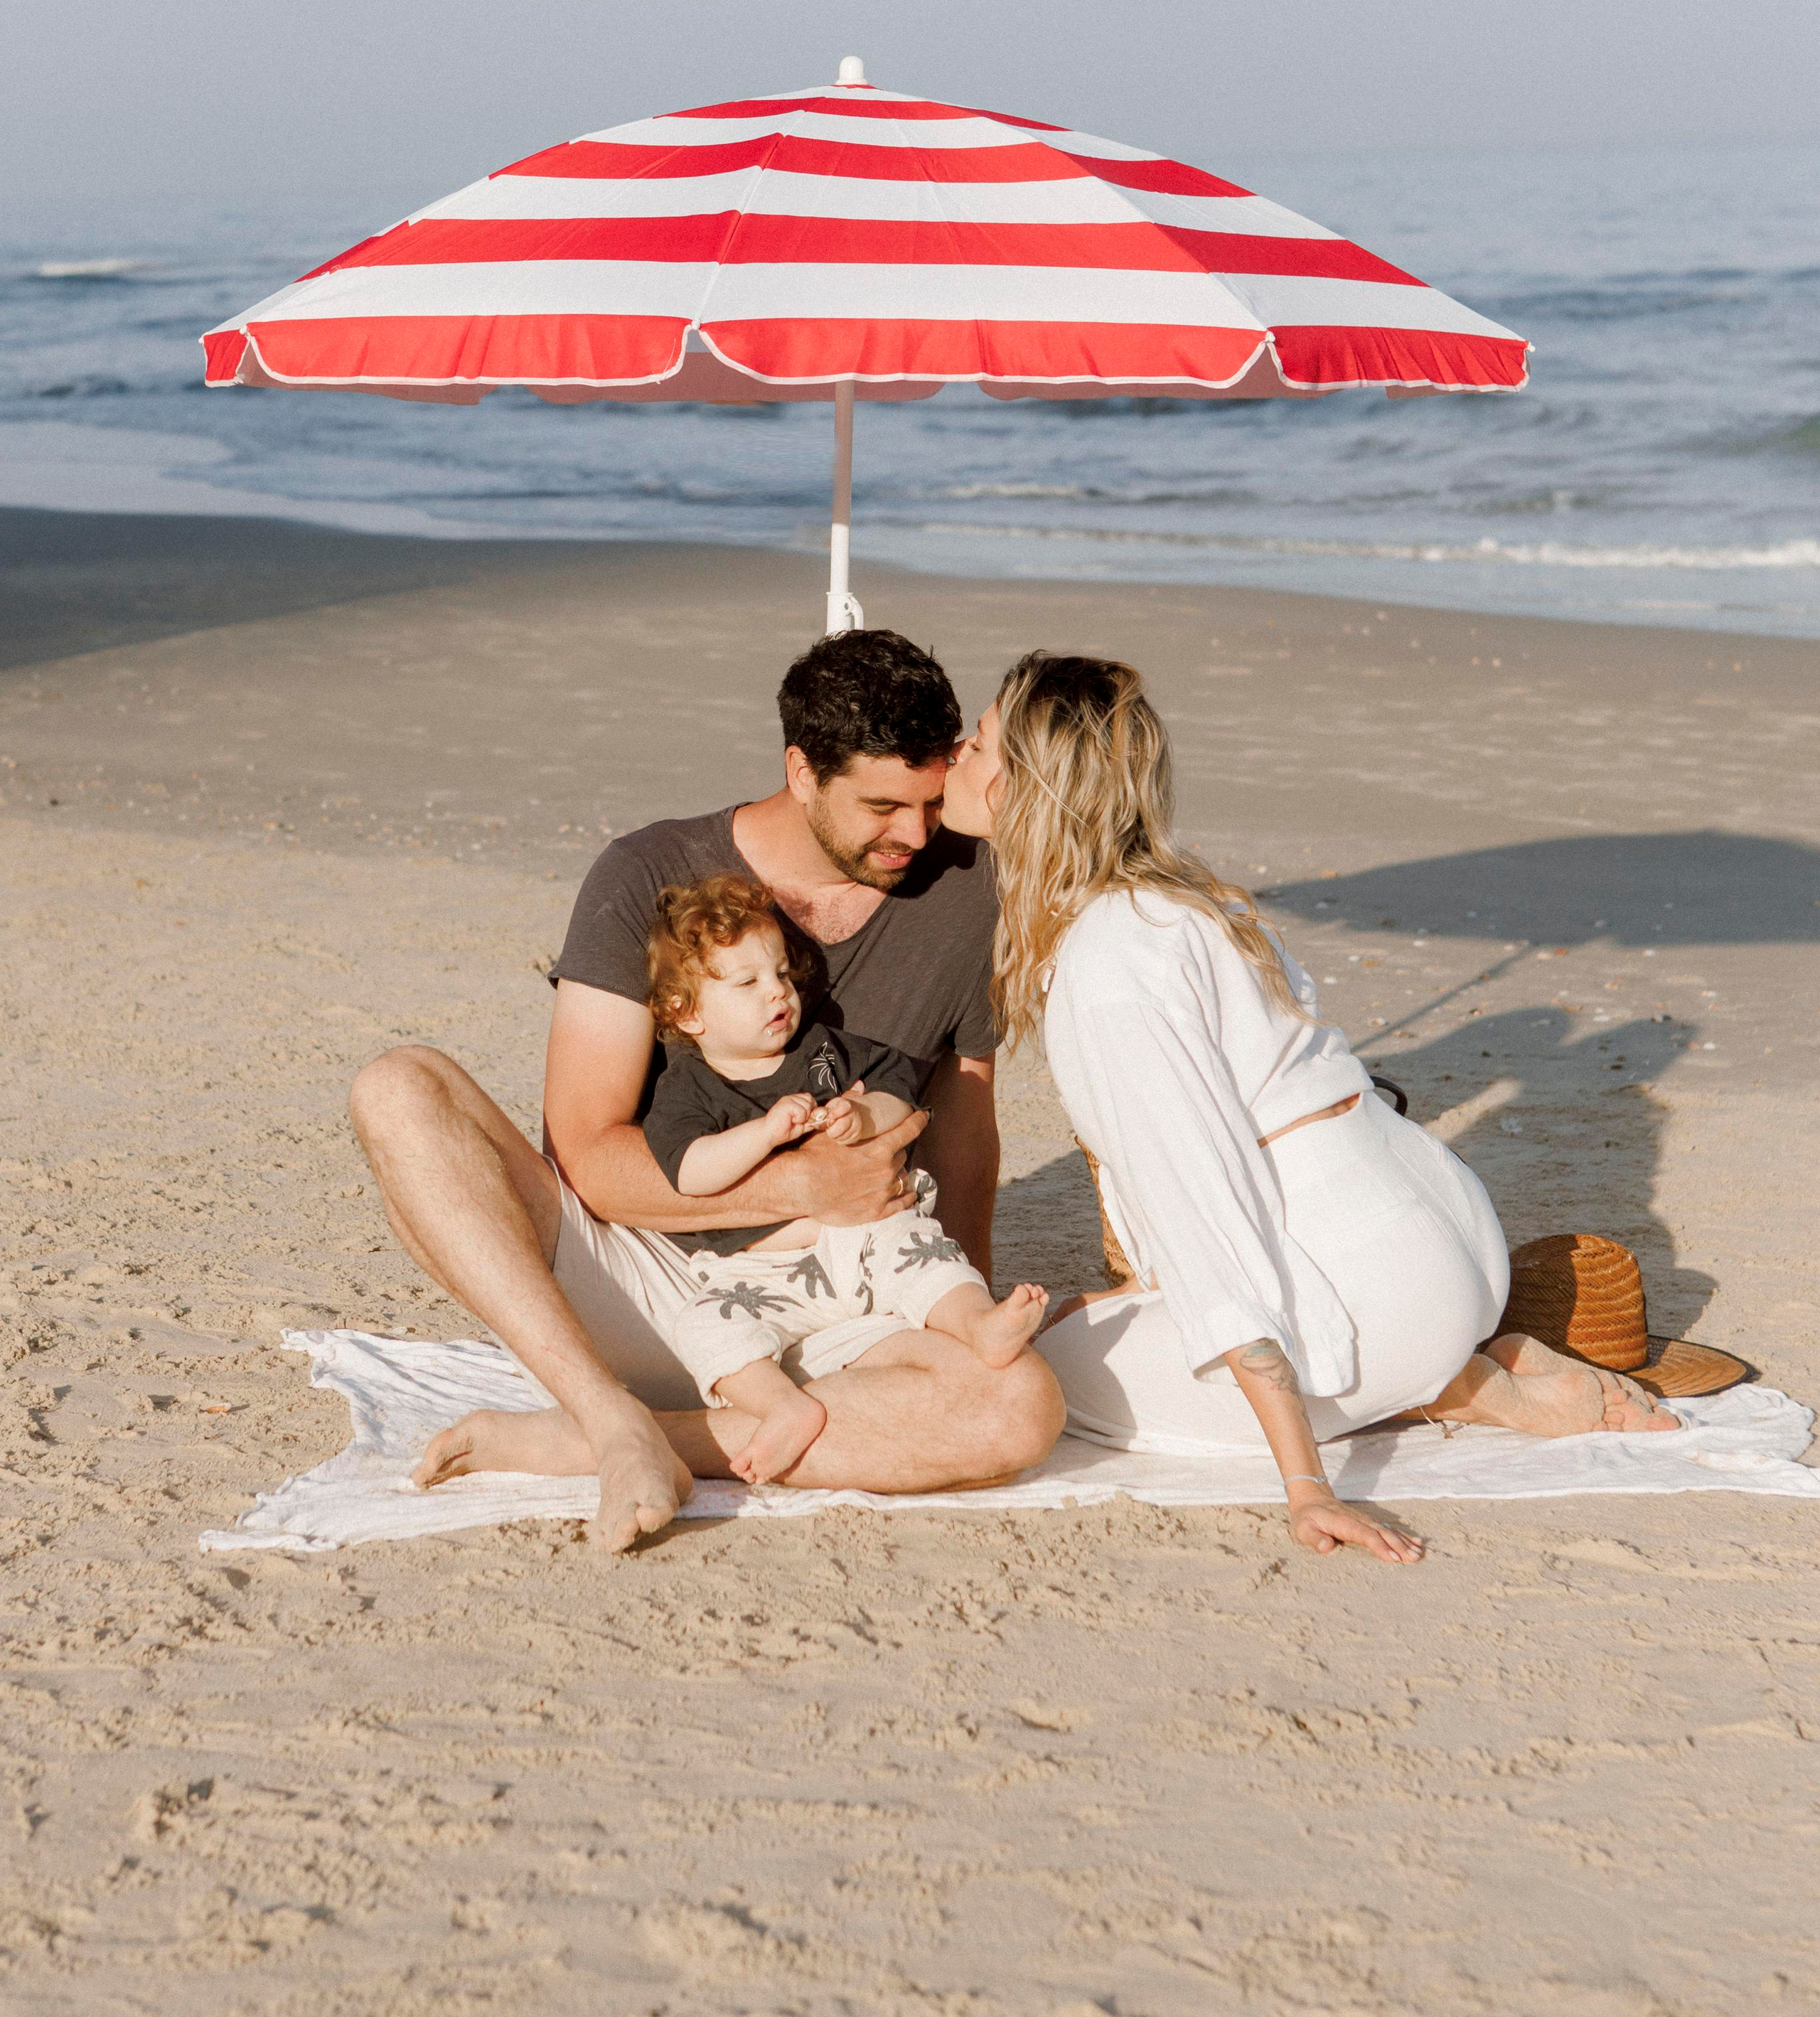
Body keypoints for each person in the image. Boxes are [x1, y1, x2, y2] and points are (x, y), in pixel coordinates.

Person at [938, 652, 1680, 1568]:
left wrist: (1304, 1487)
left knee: (1041, 1375)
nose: (955, 759)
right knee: (1085, 1319)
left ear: (1026, 789)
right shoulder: (1193, 902)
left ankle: (1447, 1387)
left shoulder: (1105, 964)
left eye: (975, 744)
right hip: (1447, 1231)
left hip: (1384, 1301)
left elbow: (1206, 1205)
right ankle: (1439, 1362)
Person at [348, 629, 1065, 1551]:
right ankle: (610, 1415)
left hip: (838, 1290)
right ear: (802, 771)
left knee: (1017, 1411)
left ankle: (605, 1442)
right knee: (400, 1088)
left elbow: (966, 1126)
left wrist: (963, 1305)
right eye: (882, 806)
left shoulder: (967, 892)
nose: (916, 835)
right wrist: (788, 1186)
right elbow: (591, 1158)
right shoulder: (648, 875)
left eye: (929, 802)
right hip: (645, 1278)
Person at [644, 872, 1049, 1482]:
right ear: (687, 1012)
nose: (776, 994)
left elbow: (899, 1093)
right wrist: (763, 1134)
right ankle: (782, 1406)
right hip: (763, 1271)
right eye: (747, 983)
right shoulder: (689, 1088)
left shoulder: (823, 1051)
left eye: (781, 973)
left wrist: (861, 1116)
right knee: (702, 1324)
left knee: (918, 1248)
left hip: (865, 1239)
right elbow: (689, 1172)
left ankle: (977, 1324)